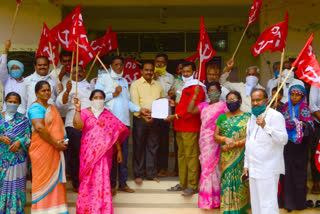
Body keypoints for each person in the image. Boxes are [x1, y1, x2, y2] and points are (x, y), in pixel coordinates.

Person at [95, 56, 149, 195]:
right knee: (111, 155)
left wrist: (139, 109)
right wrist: (113, 94)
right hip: (109, 124)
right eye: (116, 65)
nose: (119, 67)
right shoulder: (102, 79)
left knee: (123, 155)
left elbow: (128, 102)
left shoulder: (125, 81)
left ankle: (123, 183)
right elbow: (96, 98)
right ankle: (111, 184)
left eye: (121, 65)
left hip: (124, 123)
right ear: (111, 65)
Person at [73, 89, 130, 214]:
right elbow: (77, 125)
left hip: (104, 155)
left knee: (102, 181)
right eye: (95, 98)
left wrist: (119, 150)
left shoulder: (108, 115)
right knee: (87, 181)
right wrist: (77, 109)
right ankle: (85, 210)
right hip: (88, 154)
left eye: (100, 98)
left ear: (104, 100)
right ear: (91, 99)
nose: (98, 100)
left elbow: (114, 134)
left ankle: (102, 210)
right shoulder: (84, 112)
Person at [243, 88, 288, 214]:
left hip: (268, 168)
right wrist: (246, 165)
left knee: (268, 205)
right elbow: (249, 142)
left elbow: (283, 139)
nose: (255, 103)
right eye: (253, 100)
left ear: (266, 100)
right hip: (254, 168)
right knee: (256, 206)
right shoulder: (251, 118)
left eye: (258, 100)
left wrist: (265, 126)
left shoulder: (276, 116)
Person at [166, 61, 206, 196]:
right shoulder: (185, 87)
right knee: (181, 156)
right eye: (183, 72)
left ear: (194, 73)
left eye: (188, 72)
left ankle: (193, 185)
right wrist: (175, 104)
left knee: (191, 156)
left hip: (190, 126)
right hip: (179, 125)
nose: (185, 74)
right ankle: (183, 183)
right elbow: (184, 106)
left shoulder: (197, 87)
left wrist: (175, 115)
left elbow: (192, 110)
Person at [28, 81, 68, 213]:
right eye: (43, 90)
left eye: (48, 90)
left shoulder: (52, 107)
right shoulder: (35, 108)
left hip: (55, 151)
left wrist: (62, 142)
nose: (46, 93)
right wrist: (56, 144)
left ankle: (57, 210)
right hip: (42, 151)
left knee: (56, 183)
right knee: (42, 181)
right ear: (36, 93)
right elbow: (39, 128)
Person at [187, 81, 228, 209]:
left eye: (215, 90)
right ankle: (206, 199)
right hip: (204, 140)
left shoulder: (224, 106)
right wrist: (195, 95)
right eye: (210, 90)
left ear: (220, 92)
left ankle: (215, 199)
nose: (213, 93)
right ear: (207, 93)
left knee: (215, 168)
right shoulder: (203, 105)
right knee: (206, 167)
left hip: (217, 138)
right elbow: (190, 110)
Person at [56, 64, 92, 192]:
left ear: (84, 72)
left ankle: (88, 180)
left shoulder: (90, 85)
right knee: (76, 154)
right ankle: (77, 183)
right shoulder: (69, 86)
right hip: (73, 124)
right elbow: (60, 104)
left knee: (88, 154)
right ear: (70, 74)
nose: (78, 74)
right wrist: (67, 92)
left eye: (80, 71)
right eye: (74, 72)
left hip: (90, 125)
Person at [214, 91, 250, 214]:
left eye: (233, 99)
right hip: (226, 157)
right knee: (227, 183)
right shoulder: (222, 117)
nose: (231, 102)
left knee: (241, 184)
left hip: (242, 157)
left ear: (240, 101)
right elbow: (215, 136)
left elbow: (251, 137)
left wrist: (236, 144)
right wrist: (225, 139)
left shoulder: (248, 117)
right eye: (228, 100)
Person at [130, 62, 164, 184]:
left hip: (155, 119)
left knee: (153, 146)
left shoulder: (158, 85)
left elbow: (161, 101)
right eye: (146, 70)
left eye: (151, 70)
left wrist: (156, 115)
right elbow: (135, 102)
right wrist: (144, 116)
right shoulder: (135, 85)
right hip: (140, 119)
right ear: (141, 71)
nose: (149, 72)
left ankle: (151, 173)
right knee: (139, 146)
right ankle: (138, 174)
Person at [281, 85, 314, 211]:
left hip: (300, 147)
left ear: (302, 96)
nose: (294, 97)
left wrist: (301, 124)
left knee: (299, 174)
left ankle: (300, 203)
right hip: (287, 146)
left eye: (298, 95)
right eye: (292, 94)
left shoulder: (305, 108)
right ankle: (288, 203)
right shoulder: (285, 107)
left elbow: (310, 126)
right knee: (287, 174)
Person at [0, 92, 30, 213]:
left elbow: (28, 138)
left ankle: (15, 209)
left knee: (17, 184)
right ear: (5, 102)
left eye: (15, 102)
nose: (12, 104)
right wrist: (1, 138)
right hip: (2, 157)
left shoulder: (24, 120)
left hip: (18, 158)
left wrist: (19, 142)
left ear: (19, 103)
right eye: (10, 101)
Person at [154, 53, 175, 177]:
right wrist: (154, 79)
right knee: (152, 141)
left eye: (162, 62)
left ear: (166, 64)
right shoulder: (149, 75)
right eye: (157, 61)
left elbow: (173, 94)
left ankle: (163, 167)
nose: (159, 64)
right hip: (152, 113)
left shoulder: (171, 77)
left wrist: (172, 95)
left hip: (165, 113)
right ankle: (151, 167)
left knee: (164, 141)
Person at [167, 59, 185, 177]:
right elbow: (171, 93)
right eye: (179, 69)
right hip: (177, 115)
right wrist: (171, 93)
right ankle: (177, 170)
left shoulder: (194, 82)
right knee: (177, 143)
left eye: (183, 69)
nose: (181, 71)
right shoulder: (176, 82)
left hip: (189, 114)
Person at [309, 85, 320, 194]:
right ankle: (316, 182)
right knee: (315, 153)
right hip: (318, 124)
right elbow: (313, 106)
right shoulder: (316, 82)